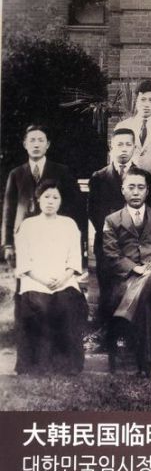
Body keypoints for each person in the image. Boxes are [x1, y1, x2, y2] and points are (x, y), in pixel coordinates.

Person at [103, 167, 151, 376]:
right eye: (131, 187)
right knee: (143, 301)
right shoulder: (112, 220)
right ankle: (144, 365)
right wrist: (136, 268)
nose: (136, 192)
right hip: (128, 279)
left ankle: (125, 313)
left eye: (140, 187)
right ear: (123, 190)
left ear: (147, 191)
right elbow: (111, 254)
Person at [14, 180, 87, 375]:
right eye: (46, 196)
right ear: (38, 199)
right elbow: (24, 261)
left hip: (64, 279)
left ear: (61, 201)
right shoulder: (28, 225)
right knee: (40, 305)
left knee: (67, 304)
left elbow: (74, 258)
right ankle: (37, 364)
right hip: (35, 280)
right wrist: (43, 280)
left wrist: (63, 278)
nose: (50, 201)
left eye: (55, 197)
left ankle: (67, 365)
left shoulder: (69, 224)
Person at [2, 124, 81, 268]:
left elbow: (73, 206)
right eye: (32, 140)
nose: (36, 144)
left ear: (48, 144)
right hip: (24, 236)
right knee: (25, 276)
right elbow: (9, 211)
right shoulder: (16, 174)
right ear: (25, 144)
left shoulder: (62, 171)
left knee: (53, 274)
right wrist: (8, 244)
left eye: (40, 140)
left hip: (54, 235)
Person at [88, 128, 138, 331]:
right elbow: (94, 212)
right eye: (119, 145)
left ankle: (129, 333)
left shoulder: (142, 177)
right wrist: (111, 232)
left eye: (128, 144)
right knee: (107, 289)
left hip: (133, 242)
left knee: (131, 289)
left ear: (134, 148)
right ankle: (106, 334)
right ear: (111, 148)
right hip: (106, 242)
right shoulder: (99, 177)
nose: (124, 149)